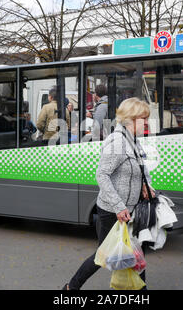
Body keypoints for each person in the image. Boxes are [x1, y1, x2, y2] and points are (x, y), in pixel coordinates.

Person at [63, 97, 154, 290]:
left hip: (130, 210)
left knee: (136, 253)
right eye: (143, 119)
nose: (147, 123)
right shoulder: (117, 141)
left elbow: (141, 167)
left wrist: (148, 186)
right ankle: (71, 287)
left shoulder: (133, 140)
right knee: (103, 255)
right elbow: (101, 175)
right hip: (113, 212)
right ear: (130, 119)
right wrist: (119, 207)